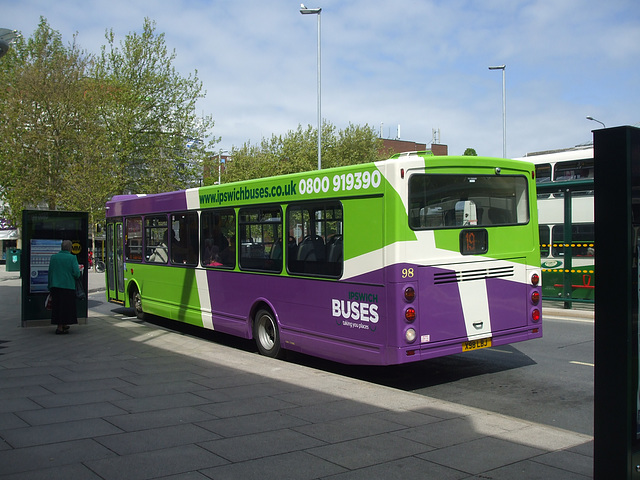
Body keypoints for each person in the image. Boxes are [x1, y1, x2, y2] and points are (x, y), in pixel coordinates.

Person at [48, 240, 82, 334]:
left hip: (55, 286)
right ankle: (61, 327)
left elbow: (50, 272)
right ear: (70, 248)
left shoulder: (54, 258)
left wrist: (49, 285)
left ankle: (60, 325)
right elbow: (76, 273)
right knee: (66, 307)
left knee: (58, 307)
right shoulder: (72, 258)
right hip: (68, 286)